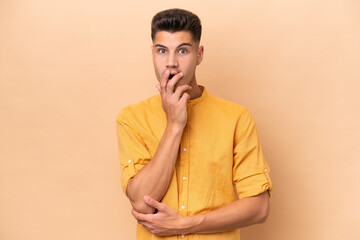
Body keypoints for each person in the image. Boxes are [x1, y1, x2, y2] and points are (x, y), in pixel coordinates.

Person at [116, 8, 273, 240]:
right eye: (162, 51)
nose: (171, 63)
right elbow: (142, 202)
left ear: (199, 55)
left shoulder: (237, 118)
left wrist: (184, 224)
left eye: (182, 50)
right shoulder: (132, 118)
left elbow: (259, 208)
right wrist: (174, 125)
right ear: (152, 53)